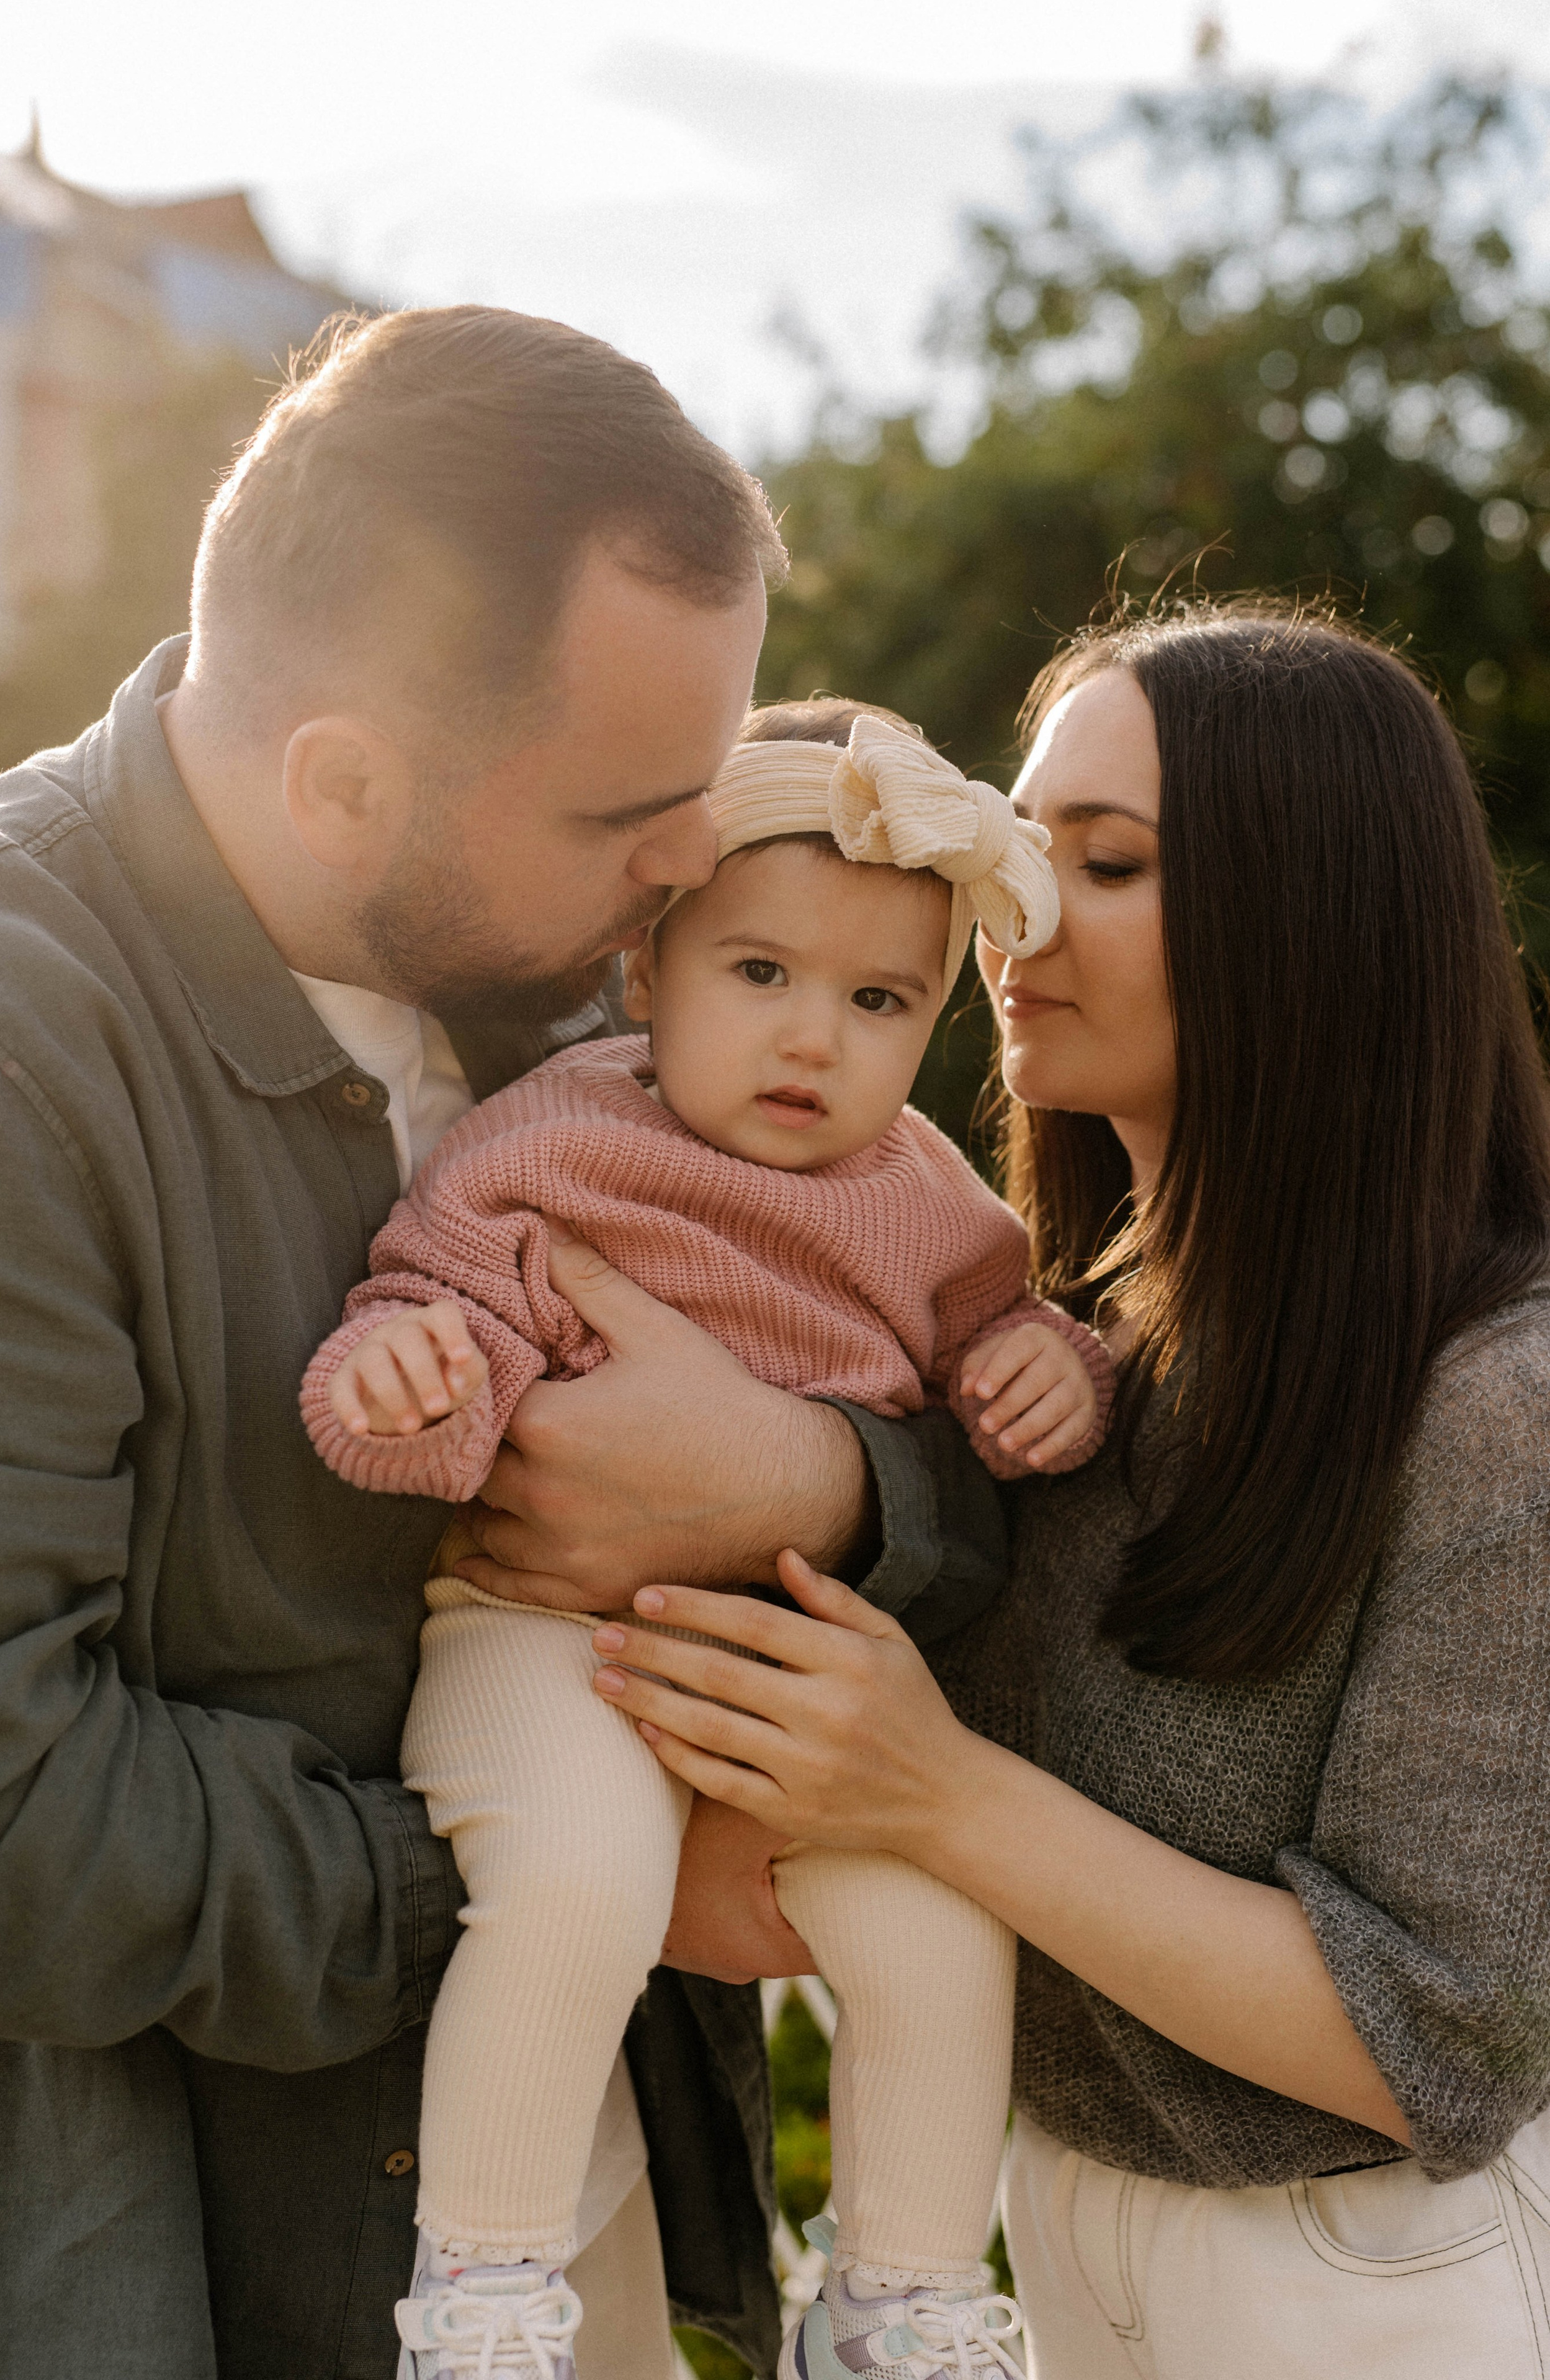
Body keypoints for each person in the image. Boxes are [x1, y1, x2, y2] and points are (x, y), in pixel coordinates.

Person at [0, 305, 1008, 2380]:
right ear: (349, 784)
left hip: (576, 2204)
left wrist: (813, 1483)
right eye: (633, 811)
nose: (695, 864)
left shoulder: (578, 992)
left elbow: (942, 1386)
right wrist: (563, 1889)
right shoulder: (5, 1042)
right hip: (192, 2263)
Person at [584, 604, 1550, 2379]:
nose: (1016, 920)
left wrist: (935, 1793)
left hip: (1366, 2282)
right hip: (1049, 2228)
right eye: (1016, 858)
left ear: (1311, 918)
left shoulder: (1500, 1402)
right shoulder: (1057, 1342)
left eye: (1104, 865)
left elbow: (1447, 2035)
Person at [301, 697, 1114, 2379]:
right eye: (760, 975)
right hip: (545, 1641)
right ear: (647, 967)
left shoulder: (934, 1202)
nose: (812, 1039)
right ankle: (487, 2299)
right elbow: (427, 1323)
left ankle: (900, 2303)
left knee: (944, 1928)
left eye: (877, 1001)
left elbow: (994, 1351)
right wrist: (398, 1379)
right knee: (576, 1885)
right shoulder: (553, 1139)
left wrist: (1053, 1368)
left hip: (787, 1676)